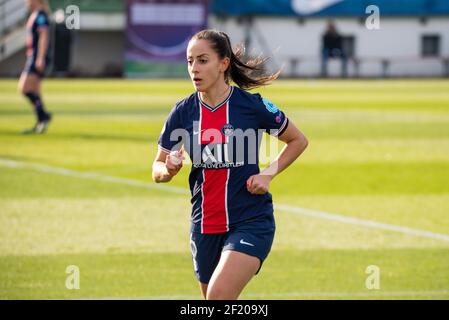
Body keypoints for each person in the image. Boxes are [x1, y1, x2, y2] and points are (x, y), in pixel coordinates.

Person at [152, 29, 308, 300]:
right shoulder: (182, 112)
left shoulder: (252, 105)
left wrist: (268, 175)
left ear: (223, 63)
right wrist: (168, 169)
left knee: (218, 296)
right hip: (204, 224)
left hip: (250, 220)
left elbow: (298, 140)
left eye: (202, 60)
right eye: (190, 61)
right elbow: (157, 169)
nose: (193, 69)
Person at [18, 0, 52, 134]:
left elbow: (44, 36)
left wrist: (40, 58)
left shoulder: (41, 15)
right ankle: (41, 120)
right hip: (33, 56)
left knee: (24, 88)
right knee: (35, 92)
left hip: (37, 58)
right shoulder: (36, 14)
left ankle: (43, 116)